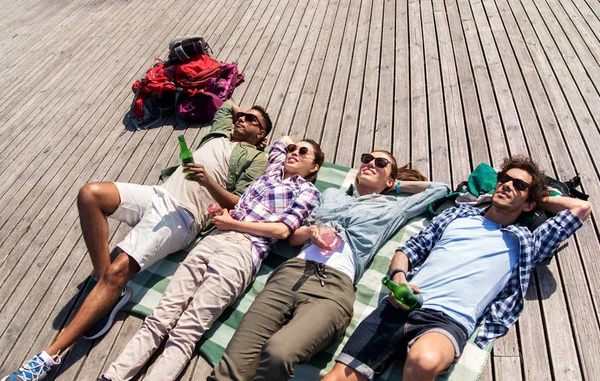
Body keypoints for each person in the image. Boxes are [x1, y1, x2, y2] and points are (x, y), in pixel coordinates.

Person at [1, 102, 272, 381]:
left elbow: (240, 203)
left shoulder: (256, 158)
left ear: (262, 136)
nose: (242, 119)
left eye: (251, 120)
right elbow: (226, 107)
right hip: (157, 194)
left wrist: (206, 182)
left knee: (118, 270)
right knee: (90, 194)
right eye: (241, 117)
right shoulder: (218, 135)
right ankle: (110, 288)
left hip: (183, 215)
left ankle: (44, 360)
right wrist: (242, 112)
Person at [322, 155, 592, 381]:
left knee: (423, 362)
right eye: (504, 179)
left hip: (446, 321)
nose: (507, 185)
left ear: (530, 202)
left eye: (518, 184)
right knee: (336, 378)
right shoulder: (456, 215)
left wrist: (535, 198)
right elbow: (408, 250)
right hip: (401, 305)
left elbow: (581, 208)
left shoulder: (527, 242)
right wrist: (400, 278)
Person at [98, 136, 324, 381]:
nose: (294, 153)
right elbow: (282, 142)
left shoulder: (307, 190)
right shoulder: (272, 172)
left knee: (187, 330)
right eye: (293, 150)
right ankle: (112, 377)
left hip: (243, 250)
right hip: (215, 238)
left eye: (303, 152)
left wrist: (234, 223)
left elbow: (282, 231)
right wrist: (288, 146)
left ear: (314, 168)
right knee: (161, 316)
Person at [210, 151, 450, 381]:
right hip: (291, 274)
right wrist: (311, 231)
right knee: (233, 363)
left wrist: (394, 186)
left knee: (279, 353)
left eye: (380, 163)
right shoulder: (332, 194)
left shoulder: (393, 206)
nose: (370, 164)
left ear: (390, 178)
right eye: (367, 159)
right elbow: (293, 239)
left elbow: (439, 189)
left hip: (333, 288)